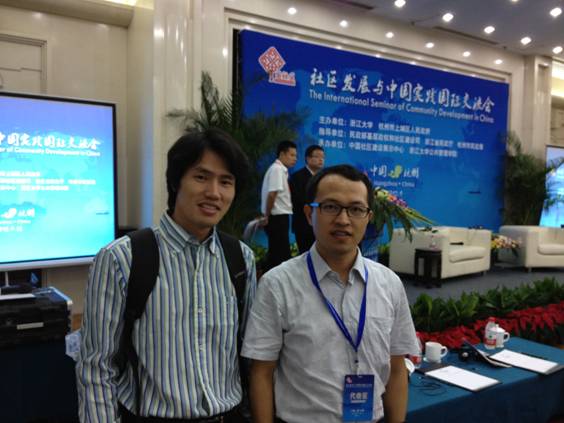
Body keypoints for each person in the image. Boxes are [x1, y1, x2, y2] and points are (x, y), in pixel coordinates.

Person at [77, 128, 257, 422]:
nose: (214, 193)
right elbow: (96, 366)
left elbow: (249, 356)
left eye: (226, 182)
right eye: (201, 177)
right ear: (175, 181)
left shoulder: (241, 259)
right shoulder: (122, 258)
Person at [243, 164, 418, 423]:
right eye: (330, 207)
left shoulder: (389, 284)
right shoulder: (277, 284)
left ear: (368, 217)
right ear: (309, 214)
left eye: (356, 209)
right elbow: (261, 372)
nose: (343, 220)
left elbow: (396, 369)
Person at [260, 140, 297, 270]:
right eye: (292, 155)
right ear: (282, 154)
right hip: (277, 217)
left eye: (296, 156)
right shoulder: (277, 169)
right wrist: (266, 216)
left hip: (279, 216)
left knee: (277, 252)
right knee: (279, 255)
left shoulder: (279, 170)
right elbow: (272, 194)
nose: (295, 159)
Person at [289, 145, 325, 254]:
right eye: (317, 157)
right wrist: (317, 205)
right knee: (305, 254)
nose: (321, 160)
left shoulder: (324, 177)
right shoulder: (297, 177)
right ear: (308, 159)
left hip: (320, 224)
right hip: (303, 224)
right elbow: (298, 199)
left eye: (323, 157)